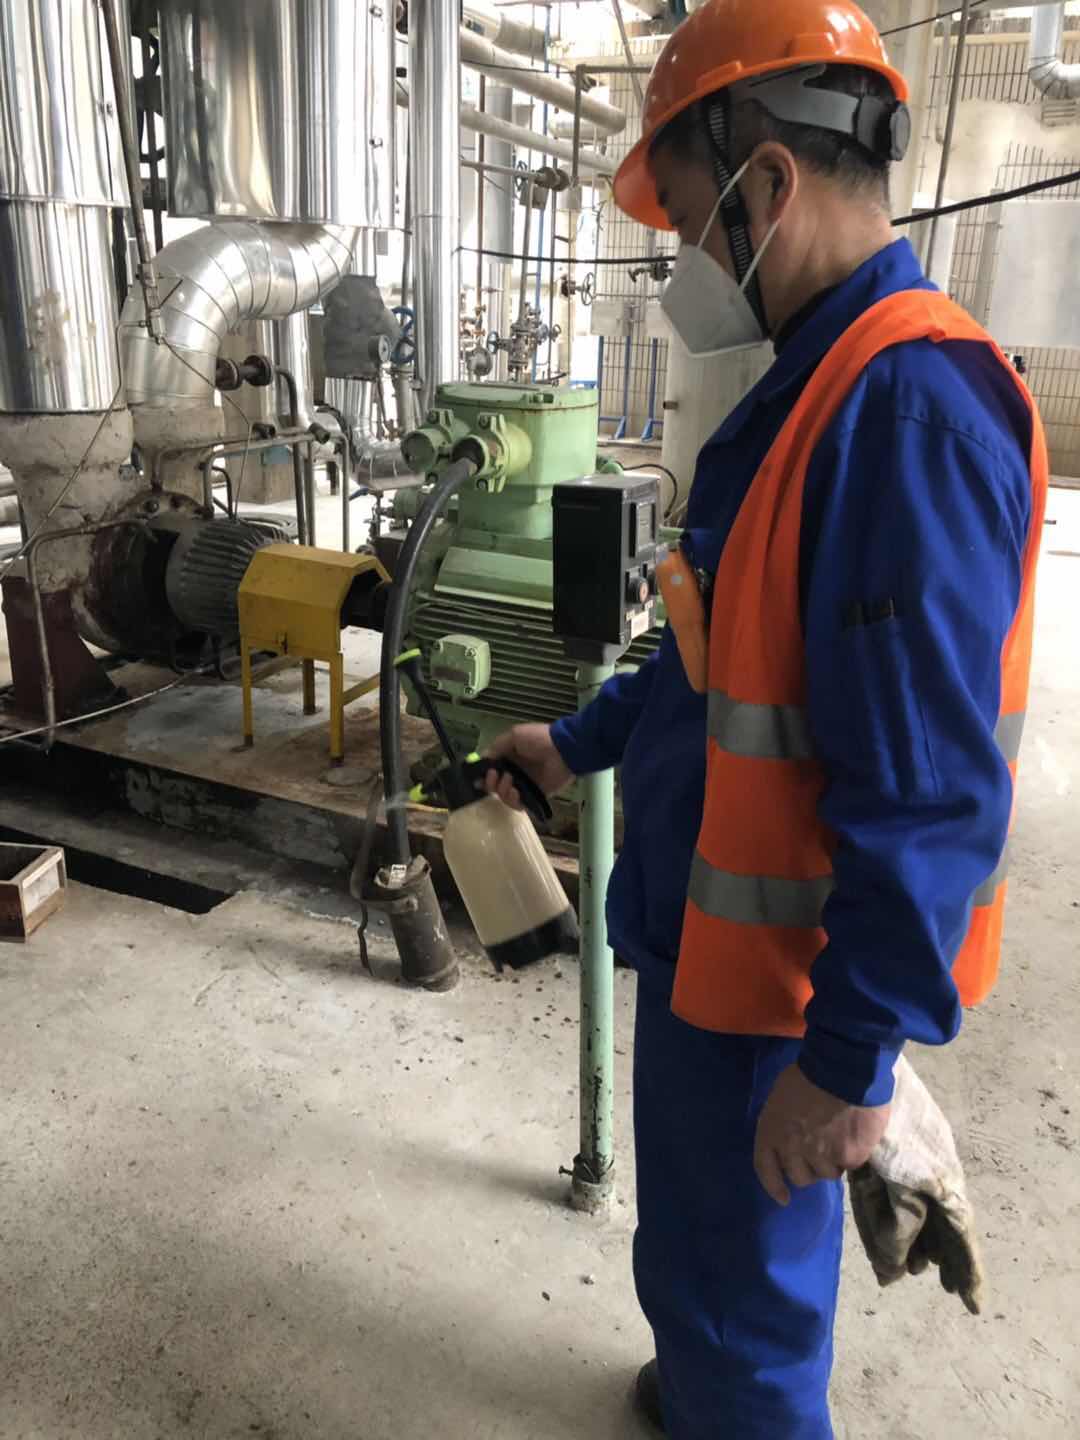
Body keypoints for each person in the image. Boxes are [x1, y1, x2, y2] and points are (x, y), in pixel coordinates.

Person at [488, 2, 1048, 1435]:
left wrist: (848, 1063)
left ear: (770, 185)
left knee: (749, 1303)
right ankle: (701, 1383)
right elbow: (718, 660)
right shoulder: (815, 390)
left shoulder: (903, 413)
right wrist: (579, 742)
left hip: (776, 1002)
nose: (683, 260)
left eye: (688, 223)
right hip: (712, 962)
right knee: (704, 1262)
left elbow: (930, 795)